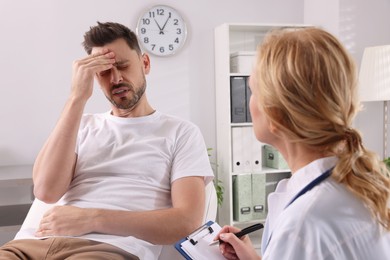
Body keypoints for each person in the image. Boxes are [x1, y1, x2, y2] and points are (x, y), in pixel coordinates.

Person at [0, 21, 214, 259]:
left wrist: (91, 218)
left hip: (105, 250)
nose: (115, 79)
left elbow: (187, 222)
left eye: (123, 65)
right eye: (103, 72)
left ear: (145, 63)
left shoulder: (181, 133)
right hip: (30, 245)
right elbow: (46, 191)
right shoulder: (80, 124)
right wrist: (76, 98)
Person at [216, 27, 390, 259]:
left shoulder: (302, 226)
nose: (250, 103)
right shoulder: (360, 186)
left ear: (276, 114)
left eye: (253, 91)